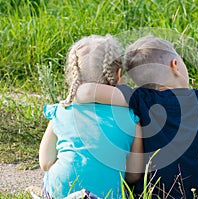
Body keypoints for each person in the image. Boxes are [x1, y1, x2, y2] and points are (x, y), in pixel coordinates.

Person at [75, 35, 198, 199]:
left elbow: (85, 92)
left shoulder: (139, 99)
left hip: (151, 194)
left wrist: (118, 86)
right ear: (175, 65)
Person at [39, 35, 143, 199]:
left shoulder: (62, 111)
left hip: (61, 191)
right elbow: (134, 175)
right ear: (118, 74)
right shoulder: (132, 119)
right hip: (108, 194)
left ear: (74, 75)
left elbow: (45, 163)